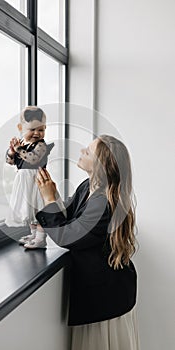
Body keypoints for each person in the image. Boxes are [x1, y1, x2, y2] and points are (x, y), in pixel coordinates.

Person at [35, 135, 140, 350]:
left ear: (101, 166)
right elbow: (70, 215)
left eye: (88, 151)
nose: (82, 151)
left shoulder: (104, 202)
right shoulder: (88, 186)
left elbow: (68, 236)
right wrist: (52, 193)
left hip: (108, 299)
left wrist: (48, 200)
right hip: (103, 291)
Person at [5, 106, 55, 249]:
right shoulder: (22, 143)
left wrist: (19, 150)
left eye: (41, 130)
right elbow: (11, 162)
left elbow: (33, 159)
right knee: (30, 210)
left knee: (38, 209)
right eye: (32, 129)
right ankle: (33, 235)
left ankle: (40, 238)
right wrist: (11, 152)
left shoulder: (41, 145)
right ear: (21, 128)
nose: (36, 133)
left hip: (37, 180)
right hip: (24, 180)